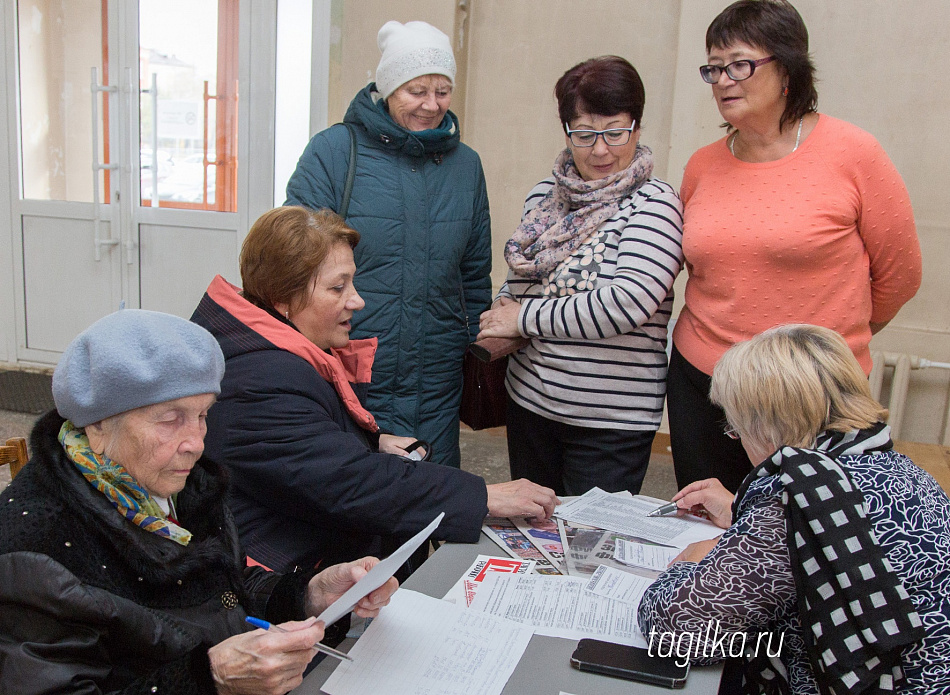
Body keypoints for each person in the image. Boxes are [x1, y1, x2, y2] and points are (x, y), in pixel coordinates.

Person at [0, 310, 398, 695]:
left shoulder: (173, 485)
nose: (196, 443)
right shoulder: (39, 552)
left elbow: (222, 588)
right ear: (98, 425)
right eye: (171, 418)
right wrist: (210, 680)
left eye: (203, 415)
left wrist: (309, 596)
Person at [192, 206, 557, 578]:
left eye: (352, 283)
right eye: (338, 287)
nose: (357, 300)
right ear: (281, 297)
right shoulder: (260, 379)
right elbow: (347, 483)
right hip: (286, 573)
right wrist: (482, 497)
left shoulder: (271, 346)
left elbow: (301, 447)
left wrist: (371, 441)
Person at [667, 0, 922, 493]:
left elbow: (900, 276)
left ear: (787, 68)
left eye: (739, 64)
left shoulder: (854, 153)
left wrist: (825, 348)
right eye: (713, 68)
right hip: (705, 382)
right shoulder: (702, 164)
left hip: (813, 395)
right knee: (709, 523)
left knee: (812, 539)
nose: (722, 81)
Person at [639, 325, 950, 694]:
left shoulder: (796, 498)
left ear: (768, 429)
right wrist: (743, 511)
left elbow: (675, 629)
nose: (737, 441)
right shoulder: (896, 467)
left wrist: (694, 562)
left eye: (736, 430)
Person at [285, 20, 490, 471]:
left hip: (437, 375)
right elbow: (292, 261)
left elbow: (473, 275)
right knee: (355, 494)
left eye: (442, 90)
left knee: (432, 500)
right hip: (351, 368)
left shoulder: (466, 167)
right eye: (417, 90)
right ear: (388, 87)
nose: (431, 104)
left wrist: (473, 346)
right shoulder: (335, 152)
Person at [477, 56, 684, 496]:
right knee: (531, 535)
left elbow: (626, 302)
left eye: (615, 132)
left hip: (610, 422)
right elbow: (517, 283)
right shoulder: (545, 197)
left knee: (588, 547)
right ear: (567, 132)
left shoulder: (654, 204)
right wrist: (502, 309)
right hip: (530, 403)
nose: (601, 150)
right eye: (585, 135)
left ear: (637, 128)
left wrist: (522, 318)